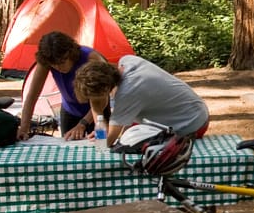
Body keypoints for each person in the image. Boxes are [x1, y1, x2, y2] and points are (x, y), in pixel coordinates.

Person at [74, 55, 210, 147]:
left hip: (192, 123)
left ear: (104, 90)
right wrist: (102, 133)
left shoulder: (128, 92)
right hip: (193, 110)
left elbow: (105, 143)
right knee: (128, 137)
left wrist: (97, 112)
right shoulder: (127, 61)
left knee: (133, 146)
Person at [17, 31, 110, 141]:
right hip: (69, 109)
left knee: (100, 143)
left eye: (62, 62)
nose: (58, 67)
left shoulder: (91, 58)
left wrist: (83, 123)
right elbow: (32, 96)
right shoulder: (47, 60)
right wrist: (24, 127)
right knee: (68, 145)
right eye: (53, 65)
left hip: (97, 110)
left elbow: (102, 98)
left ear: (70, 53)